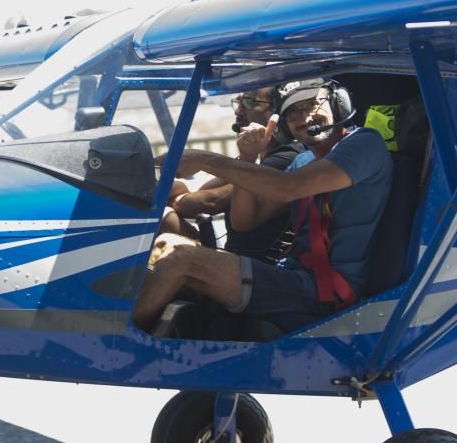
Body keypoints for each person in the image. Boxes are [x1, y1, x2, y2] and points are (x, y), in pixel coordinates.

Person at [134, 79, 392, 333]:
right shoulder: (302, 161)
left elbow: (291, 187)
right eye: (293, 113)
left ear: (339, 104)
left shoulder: (364, 143)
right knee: (164, 245)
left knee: (181, 259)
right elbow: (246, 221)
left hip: (328, 290)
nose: (304, 117)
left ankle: (113, 351)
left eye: (312, 105)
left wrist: (205, 160)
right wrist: (248, 158)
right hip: (291, 274)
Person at [161, 86, 305, 263]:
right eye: (240, 101)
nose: (239, 109)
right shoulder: (254, 157)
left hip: (260, 265)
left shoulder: (286, 159)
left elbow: (208, 202)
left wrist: (173, 197)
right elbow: (202, 191)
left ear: (276, 114)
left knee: (163, 220)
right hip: (237, 258)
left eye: (249, 102)